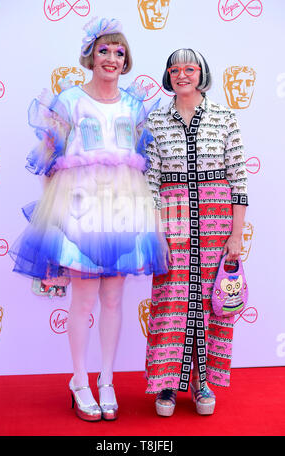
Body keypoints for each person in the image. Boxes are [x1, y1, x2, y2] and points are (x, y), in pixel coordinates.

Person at [9, 17, 167, 422]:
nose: (112, 58)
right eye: (104, 51)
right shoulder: (68, 101)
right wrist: (51, 222)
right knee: (82, 302)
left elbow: (143, 163)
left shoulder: (134, 106)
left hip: (123, 210)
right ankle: (79, 380)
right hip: (79, 207)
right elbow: (49, 163)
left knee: (113, 300)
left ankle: (106, 379)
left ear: (126, 60)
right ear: (90, 56)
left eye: (119, 53)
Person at [144, 48, 248, 416]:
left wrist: (236, 236)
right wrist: (156, 233)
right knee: (169, 300)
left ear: (201, 73)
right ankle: (167, 384)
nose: (181, 75)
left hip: (216, 221)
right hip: (171, 220)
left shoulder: (224, 117)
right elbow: (151, 183)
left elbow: (238, 180)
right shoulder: (156, 119)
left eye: (189, 68)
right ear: (167, 75)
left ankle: (203, 382)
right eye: (174, 69)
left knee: (210, 301)